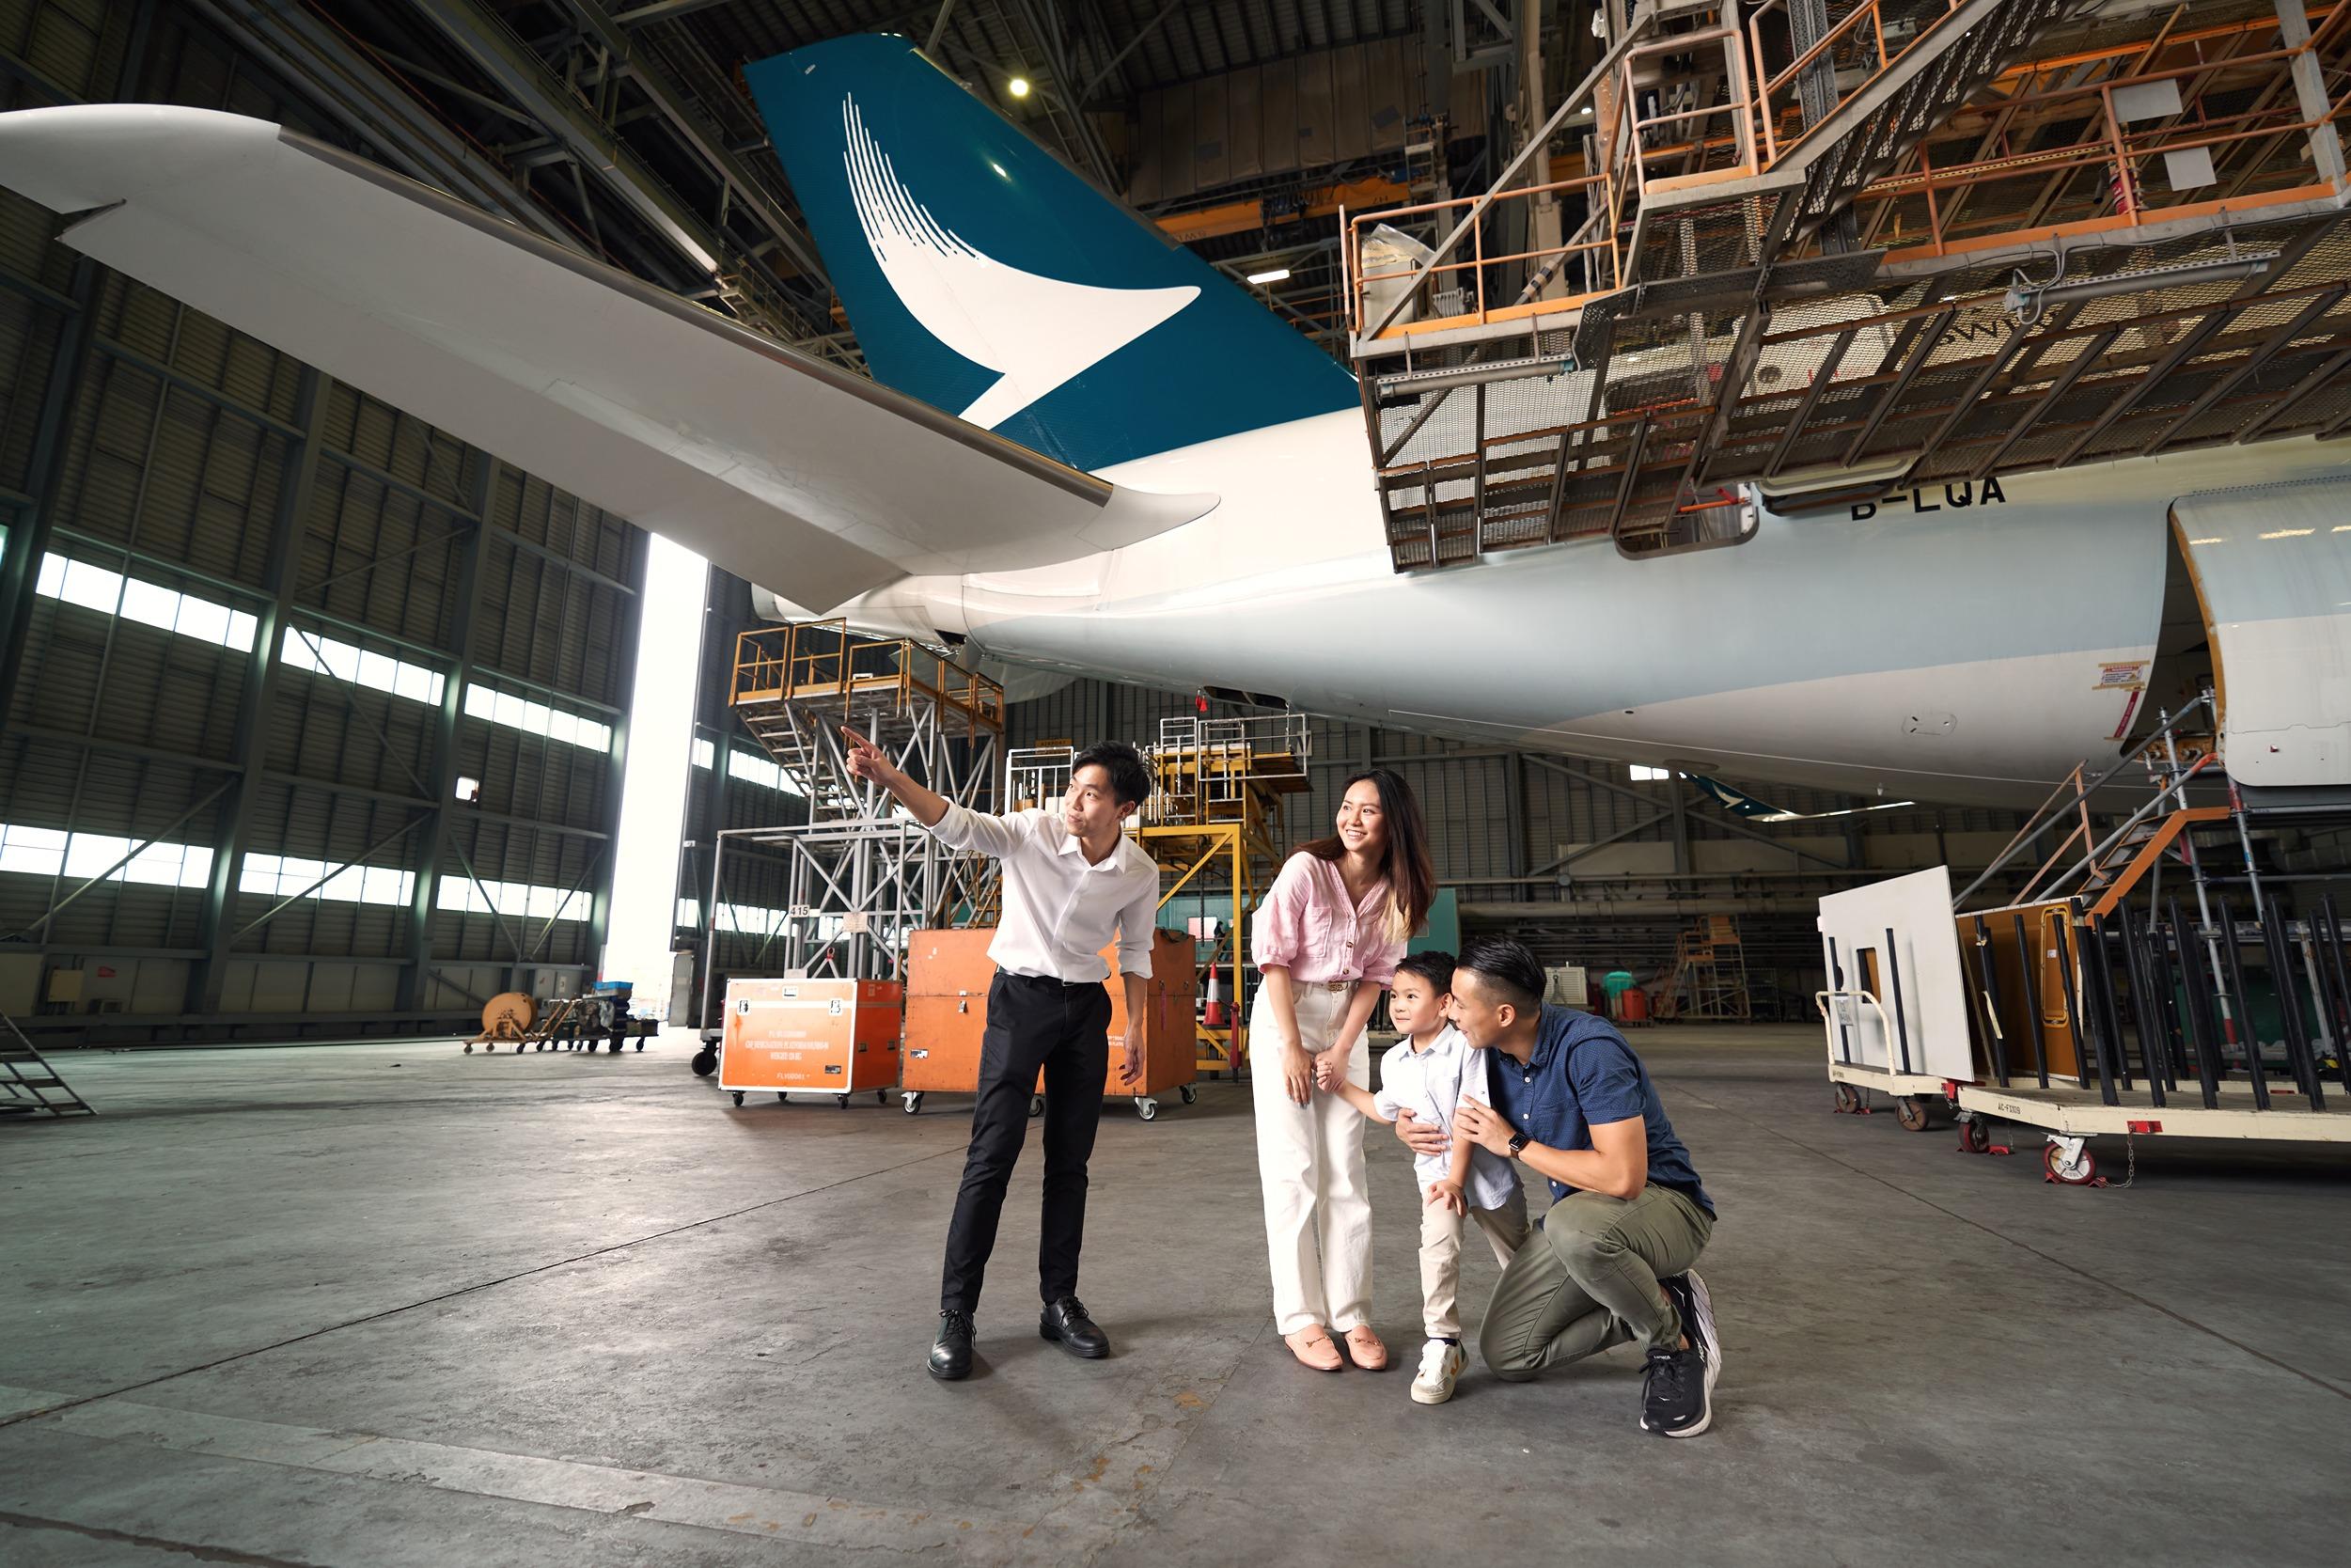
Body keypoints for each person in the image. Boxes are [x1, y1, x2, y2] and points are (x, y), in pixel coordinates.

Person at [842, 727, 1159, 1382]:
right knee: (991, 1156)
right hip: (1020, 1004)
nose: (1073, 802)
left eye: (1091, 794)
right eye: (1073, 788)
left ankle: (1059, 1302)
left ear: (1123, 809)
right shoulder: (1030, 832)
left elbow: (1135, 952)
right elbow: (956, 823)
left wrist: (1137, 1028)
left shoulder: (1138, 872)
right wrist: (892, 778)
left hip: (1085, 1012)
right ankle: (956, 1314)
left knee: (1070, 1163)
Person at [1402, 936, 1723, 1436]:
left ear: (1504, 1014)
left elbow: (1623, 1178)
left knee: (1572, 1227)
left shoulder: (1590, 1050)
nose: (1450, 1012)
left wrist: (1514, 1142)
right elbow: (1432, 1097)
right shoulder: (1482, 1053)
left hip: (1663, 1206)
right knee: (1509, 1353)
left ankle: (1673, 1346)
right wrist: (1404, 1126)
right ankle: (1666, 1298)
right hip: (1582, 1220)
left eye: (1460, 1004)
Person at [1249, 768, 1436, 1373]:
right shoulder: (1306, 869)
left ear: (1393, 822)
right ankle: (1300, 1318)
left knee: (1346, 1173)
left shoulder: (1397, 893)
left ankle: (1352, 1313)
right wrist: (1292, 1046)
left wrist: (1341, 1048)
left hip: (1346, 1026)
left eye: (1368, 810)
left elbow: (1378, 978)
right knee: (1293, 1171)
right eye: (1347, 806)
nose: (1351, 819)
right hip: (1286, 1015)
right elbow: (1272, 958)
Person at [1324, 950, 1527, 1404]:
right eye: (1394, 995)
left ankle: (1542, 1322)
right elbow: (1384, 1108)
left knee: (1521, 1261)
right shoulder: (1395, 1060)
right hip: (1436, 1181)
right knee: (1438, 1252)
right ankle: (1443, 1342)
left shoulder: (1468, 1048)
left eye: (1411, 996)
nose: (1397, 1005)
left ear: (1444, 1004)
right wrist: (1341, 1085)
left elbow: (1468, 1117)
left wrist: (1457, 1179)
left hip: (1488, 1180)